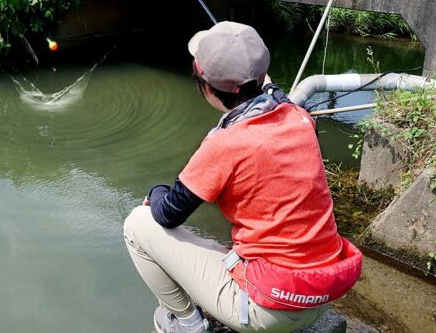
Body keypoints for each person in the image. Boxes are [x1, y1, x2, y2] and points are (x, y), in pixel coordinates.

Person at [123, 22, 363, 333]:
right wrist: (262, 82)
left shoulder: (224, 144)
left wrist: (155, 190)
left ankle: (187, 323)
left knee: (137, 224)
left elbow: (168, 213)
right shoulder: (298, 118)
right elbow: (275, 95)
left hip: (270, 310)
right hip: (321, 292)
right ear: (263, 76)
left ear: (207, 88)